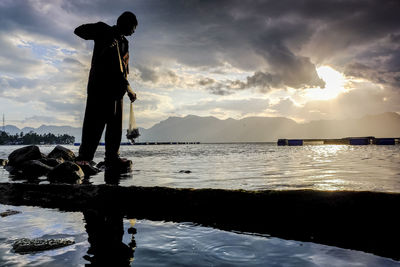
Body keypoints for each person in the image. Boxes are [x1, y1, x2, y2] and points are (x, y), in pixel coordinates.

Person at [74, 11, 138, 170]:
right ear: (126, 24)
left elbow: (122, 70)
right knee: (94, 123)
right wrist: (103, 35)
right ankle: (84, 157)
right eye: (134, 27)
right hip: (99, 88)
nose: (134, 31)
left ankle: (112, 157)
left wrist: (128, 89)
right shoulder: (104, 30)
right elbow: (79, 31)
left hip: (117, 92)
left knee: (115, 126)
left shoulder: (124, 43)